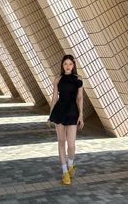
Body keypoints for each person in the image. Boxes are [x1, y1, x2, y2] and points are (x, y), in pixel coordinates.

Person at [48, 54, 84, 185]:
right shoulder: (58, 79)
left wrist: (81, 115)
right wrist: (50, 114)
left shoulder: (78, 79)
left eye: (70, 64)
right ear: (62, 66)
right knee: (61, 142)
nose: (67, 66)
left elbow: (80, 98)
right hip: (59, 111)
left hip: (73, 112)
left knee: (72, 144)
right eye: (65, 64)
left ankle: (70, 164)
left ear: (73, 65)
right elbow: (54, 98)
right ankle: (65, 172)